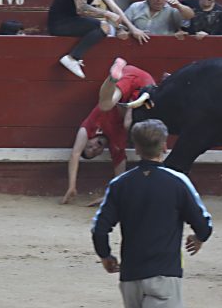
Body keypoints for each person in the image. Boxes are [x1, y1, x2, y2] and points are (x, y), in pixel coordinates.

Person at [92, 118, 212, 308]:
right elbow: (205, 223)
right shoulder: (177, 181)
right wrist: (199, 237)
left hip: (131, 275)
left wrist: (106, 256)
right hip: (164, 271)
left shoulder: (120, 184)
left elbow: (99, 227)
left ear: (135, 148)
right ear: (164, 147)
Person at [62, 57, 156, 203]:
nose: (93, 148)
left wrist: (71, 186)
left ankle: (114, 74)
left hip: (130, 77)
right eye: (94, 152)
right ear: (101, 152)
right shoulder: (116, 145)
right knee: (127, 122)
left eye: (89, 146)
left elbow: (75, 154)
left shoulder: (91, 125)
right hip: (145, 92)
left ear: (90, 138)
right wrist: (109, 196)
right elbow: (119, 176)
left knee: (107, 105)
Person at [48, 0, 147, 79]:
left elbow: (115, 8)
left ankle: (73, 57)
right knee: (104, 27)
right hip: (59, 23)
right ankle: (73, 57)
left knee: (106, 28)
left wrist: (132, 28)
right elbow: (81, 8)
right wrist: (107, 14)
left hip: (73, 21)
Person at [124, 0, 195, 36]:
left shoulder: (172, 9)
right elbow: (121, 27)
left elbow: (190, 16)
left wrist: (179, 6)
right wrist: (129, 32)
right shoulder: (135, 7)